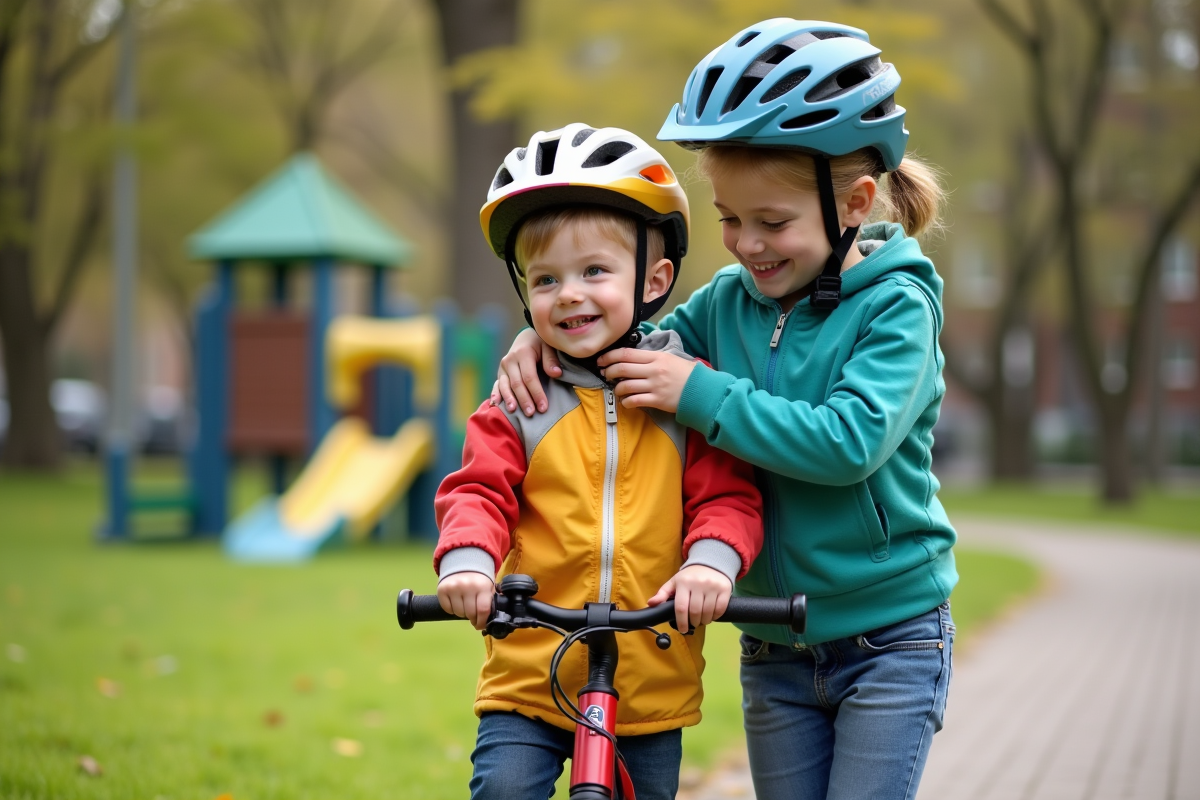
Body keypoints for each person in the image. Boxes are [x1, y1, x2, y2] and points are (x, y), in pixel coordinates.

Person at [493, 20, 957, 800]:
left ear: (856, 202)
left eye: (771, 223)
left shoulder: (899, 310)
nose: (746, 245)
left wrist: (698, 392)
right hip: (774, 640)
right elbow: (621, 344)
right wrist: (539, 342)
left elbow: (849, 441)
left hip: (890, 639)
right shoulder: (728, 304)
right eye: (729, 219)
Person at [434, 122, 764, 800]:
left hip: (649, 676)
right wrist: (468, 561)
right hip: (529, 670)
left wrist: (710, 562)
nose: (570, 294)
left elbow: (727, 499)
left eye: (594, 271)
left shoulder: (682, 391)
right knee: (501, 789)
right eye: (546, 279)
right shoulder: (518, 401)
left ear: (656, 277)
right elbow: (477, 490)